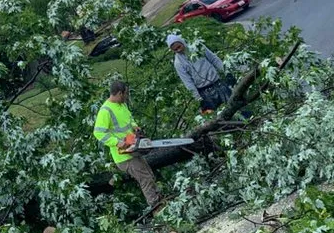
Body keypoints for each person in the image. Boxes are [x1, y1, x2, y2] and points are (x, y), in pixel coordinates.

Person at [92, 80, 161, 209]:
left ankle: (159, 200)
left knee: (149, 175)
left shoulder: (121, 105)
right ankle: (156, 206)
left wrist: (135, 127)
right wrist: (118, 143)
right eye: (125, 94)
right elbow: (98, 133)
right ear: (119, 93)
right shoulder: (105, 111)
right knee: (145, 178)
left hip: (132, 148)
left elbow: (129, 120)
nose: (127, 96)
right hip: (123, 156)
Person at [166, 33, 233, 112]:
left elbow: (214, 59)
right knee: (219, 116)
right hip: (204, 92)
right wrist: (198, 99)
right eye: (175, 50)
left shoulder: (197, 47)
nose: (178, 50)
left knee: (233, 105)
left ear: (182, 42)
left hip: (218, 83)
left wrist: (227, 72)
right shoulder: (178, 63)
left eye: (179, 47)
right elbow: (188, 82)